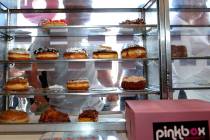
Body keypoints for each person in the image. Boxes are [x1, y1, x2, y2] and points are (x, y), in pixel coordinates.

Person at [28, 0, 119, 114]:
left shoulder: (94, 32)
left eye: (87, 9)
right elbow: (31, 71)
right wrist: (42, 102)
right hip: (61, 109)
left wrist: (111, 89)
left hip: (94, 108)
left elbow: (101, 71)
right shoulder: (49, 31)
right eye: (78, 9)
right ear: (66, 6)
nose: (84, 13)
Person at [171, 0, 210, 101]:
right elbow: (183, 70)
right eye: (200, 1)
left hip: (200, 91)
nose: (202, 5)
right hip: (191, 93)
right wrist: (207, 51)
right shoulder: (177, 29)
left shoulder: (188, 26)